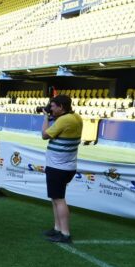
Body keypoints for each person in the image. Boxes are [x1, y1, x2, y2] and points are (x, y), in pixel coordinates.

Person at [41, 95, 82, 244]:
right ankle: (57, 228)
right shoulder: (76, 117)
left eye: (52, 106)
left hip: (58, 167)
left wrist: (45, 117)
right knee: (56, 198)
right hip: (67, 166)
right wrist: (51, 116)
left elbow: (44, 135)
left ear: (61, 107)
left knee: (59, 200)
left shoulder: (64, 120)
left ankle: (65, 233)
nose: (50, 108)